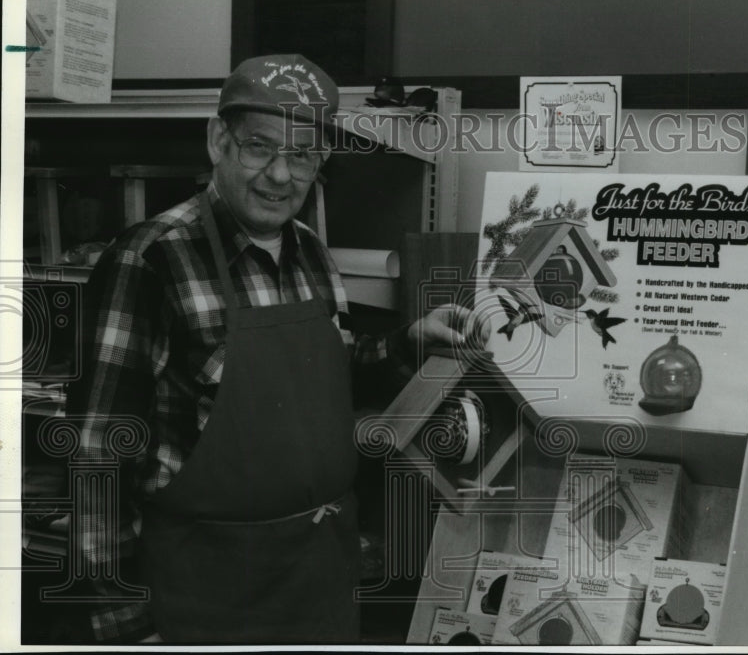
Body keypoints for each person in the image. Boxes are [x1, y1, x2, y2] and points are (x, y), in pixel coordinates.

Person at [67, 54, 477, 644]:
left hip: (319, 579)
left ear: (321, 161)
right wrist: (124, 623)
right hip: (206, 590)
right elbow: (97, 455)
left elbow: (326, 376)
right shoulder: (152, 259)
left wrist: (406, 342)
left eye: (302, 154)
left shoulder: (309, 250)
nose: (281, 175)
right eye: (260, 147)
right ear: (218, 141)